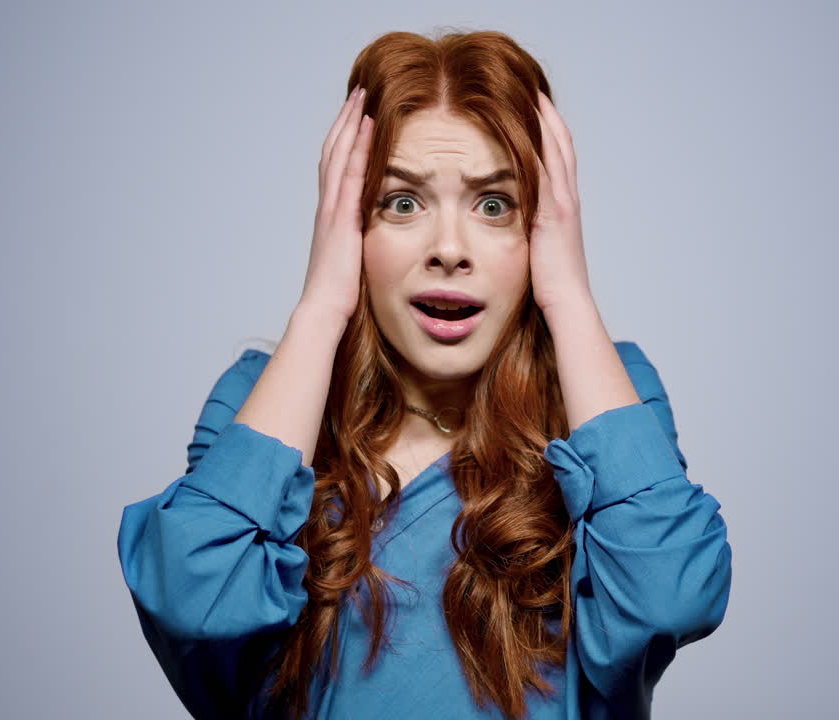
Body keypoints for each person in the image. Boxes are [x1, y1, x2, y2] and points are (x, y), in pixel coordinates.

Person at [117, 29, 732, 720]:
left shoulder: (605, 393)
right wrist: (320, 307)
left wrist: (569, 297)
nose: (448, 249)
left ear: (542, 228)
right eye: (401, 202)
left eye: (495, 205)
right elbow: (194, 599)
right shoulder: (258, 402)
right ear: (350, 224)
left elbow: (671, 594)